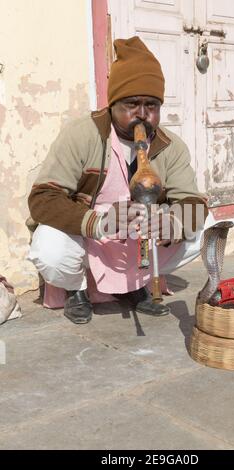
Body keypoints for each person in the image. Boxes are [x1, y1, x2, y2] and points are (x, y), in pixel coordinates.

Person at [27, 36, 208, 324]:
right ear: (112, 104)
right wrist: (99, 222)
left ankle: (135, 284)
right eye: (131, 104)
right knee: (48, 245)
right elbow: (42, 199)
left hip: (137, 239)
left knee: (203, 228)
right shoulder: (82, 134)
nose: (142, 114)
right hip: (93, 236)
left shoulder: (170, 145)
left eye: (151, 105)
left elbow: (193, 202)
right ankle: (77, 289)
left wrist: (172, 223)